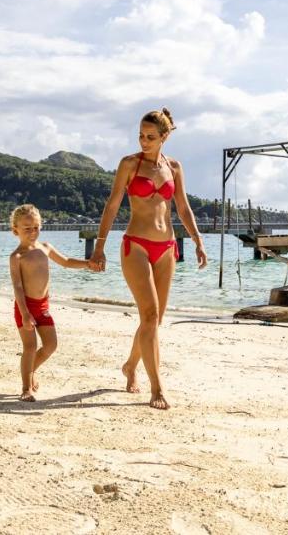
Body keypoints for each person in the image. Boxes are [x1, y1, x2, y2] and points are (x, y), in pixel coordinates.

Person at [91, 107, 207, 409]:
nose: (144, 141)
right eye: (141, 135)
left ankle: (130, 365)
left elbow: (182, 207)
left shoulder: (175, 167)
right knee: (150, 315)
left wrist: (197, 240)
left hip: (167, 247)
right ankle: (157, 388)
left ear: (165, 136)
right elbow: (112, 204)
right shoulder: (129, 164)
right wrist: (99, 246)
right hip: (136, 246)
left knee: (154, 319)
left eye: (150, 137)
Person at [8, 203, 92, 402]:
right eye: (27, 228)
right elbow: (18, 288)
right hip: (25, 308)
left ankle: (32, 370)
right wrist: (25, 313)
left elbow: (66, 262)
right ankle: (26, 388)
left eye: (36, 227)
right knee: (30, 347)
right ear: (15, 230)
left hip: (43, 307)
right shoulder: (17, 257)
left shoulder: (45, 248)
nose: (32, 232)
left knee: (51, 345)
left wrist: (87, 264)